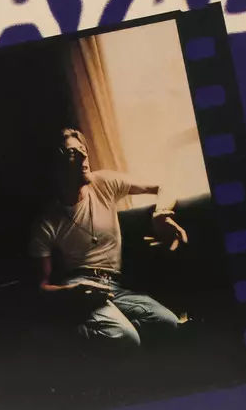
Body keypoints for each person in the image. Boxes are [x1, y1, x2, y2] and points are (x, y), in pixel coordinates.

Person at [29, 127, 189, 353]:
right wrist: (72, 292)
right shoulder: (46, 222)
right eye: (73, 153)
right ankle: (59, 335)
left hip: (115, 286)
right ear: (56, 166)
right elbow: (41, 288)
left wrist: (160, 214)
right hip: (80, 286)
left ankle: (112, 332)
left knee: (169, 324)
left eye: (83, 149)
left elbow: (164, 185)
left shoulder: (104, 183)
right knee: (126, 338)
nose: (84, 156)